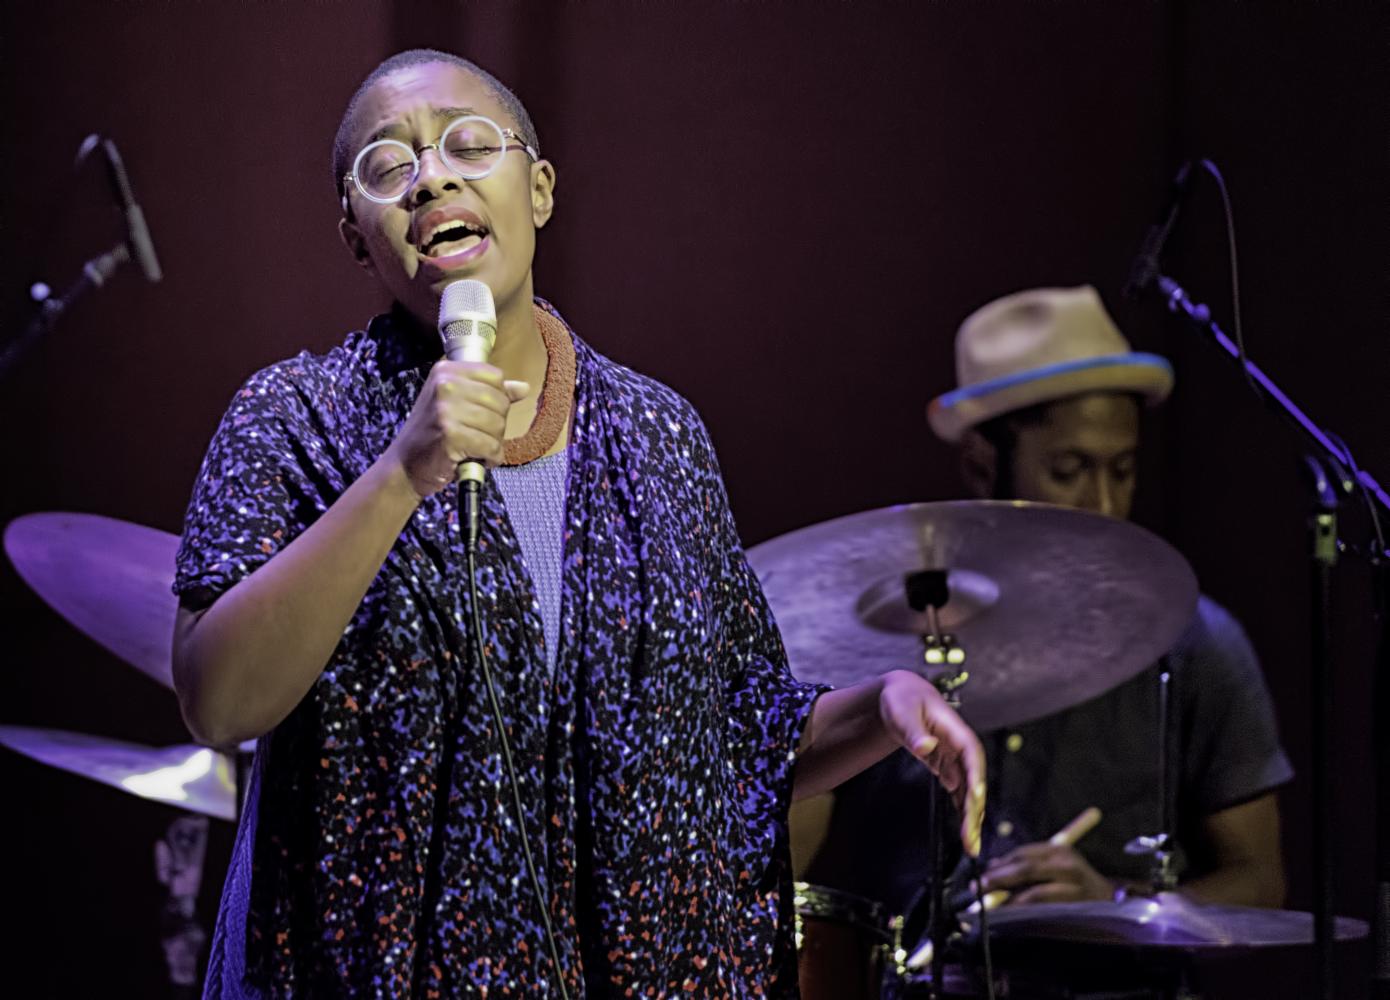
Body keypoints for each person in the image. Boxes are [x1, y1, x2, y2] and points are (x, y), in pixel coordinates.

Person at [170, 48, 985, 998]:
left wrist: (879, 706)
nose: (432, 175)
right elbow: (218, 700)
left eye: (469, 145)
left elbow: (736, 744)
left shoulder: (658, 434)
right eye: (387, 168)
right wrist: (399, 475)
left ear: (541, 188)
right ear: (357, 234)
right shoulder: (291, 419)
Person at [797, 285, 1292, 923]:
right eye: (1069, 470)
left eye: (1122, 470)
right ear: (980, 467)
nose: (1107, 505)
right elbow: (780, 864)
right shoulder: (869, 634)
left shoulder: (1197, 642)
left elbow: (1261, 883)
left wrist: (1116, 904)